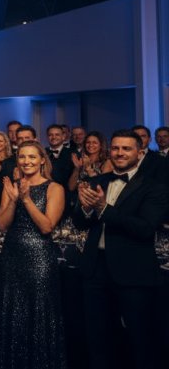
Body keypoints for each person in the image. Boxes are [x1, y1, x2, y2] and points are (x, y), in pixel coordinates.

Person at [73, 130, 167, 369]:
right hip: (95, 269)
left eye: (126, 149)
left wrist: (103, 208)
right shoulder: (99, 181)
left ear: (140, 152)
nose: (120, 153)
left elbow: (145, 228)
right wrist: (84, 209)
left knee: (139, 338)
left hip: (133, 271)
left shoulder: (154, 187)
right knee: (97, 337)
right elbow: (81, 222)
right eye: (115, 148)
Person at [0, 140, 66, 369]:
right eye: (22, 157)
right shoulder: (11, 186)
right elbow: (3, 225)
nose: (27, 161)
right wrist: (14, 200)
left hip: (40, 258)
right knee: (12, 309)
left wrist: (26, 199)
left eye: (32, 157)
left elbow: (46, 227)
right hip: (12, 254)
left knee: (39, 311)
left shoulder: (55, 188)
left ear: (42, 160)